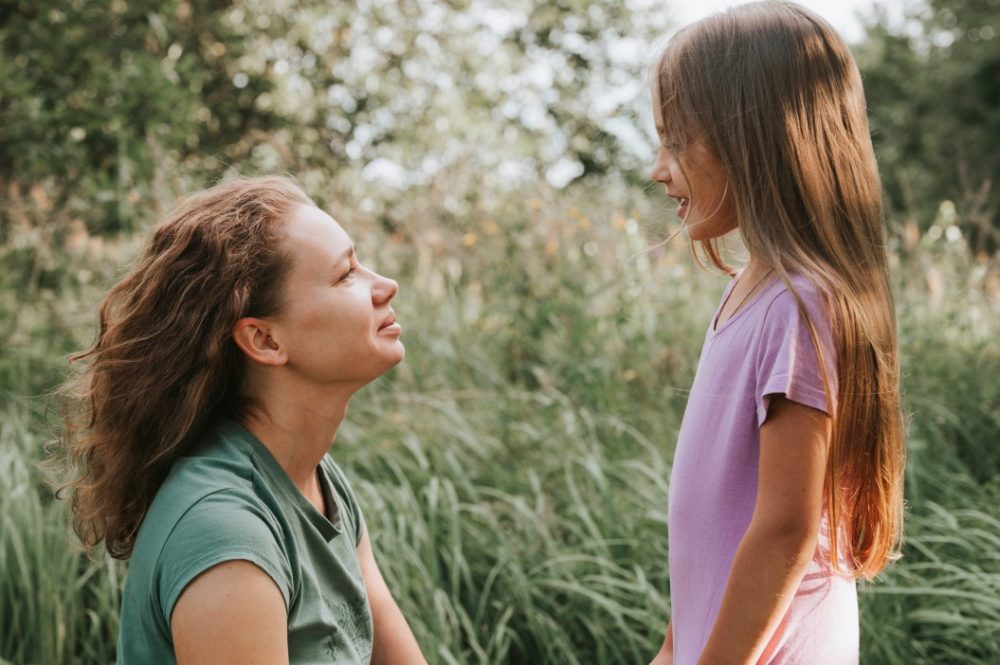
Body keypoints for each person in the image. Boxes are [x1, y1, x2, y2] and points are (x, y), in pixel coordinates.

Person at [56, 175, 427, 664]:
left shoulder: (314, 478)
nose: (385, 285)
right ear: (264, 340)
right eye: (346, 275)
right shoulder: (226, 532)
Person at [646, 3, 905, 664]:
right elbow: (705, 546)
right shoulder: (746, 295)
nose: (658, 167)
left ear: (753, 142)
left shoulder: (801, 305)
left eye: (679, 141)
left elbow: (785, 529)